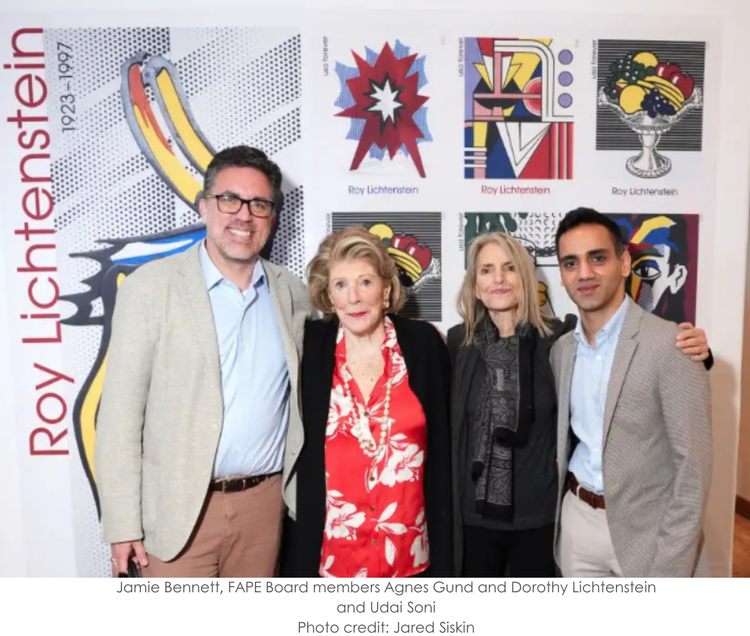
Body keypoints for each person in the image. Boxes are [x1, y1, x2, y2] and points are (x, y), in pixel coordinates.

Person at [95, 145, 310, 577]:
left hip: (263, 508)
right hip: (176, 512)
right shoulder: (150, 288)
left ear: (272, 217)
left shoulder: (293, 293)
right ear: (204, 206)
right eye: (229, 199)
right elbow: (119, 417)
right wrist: (121, 524)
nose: (244, 216)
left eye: (259, 204)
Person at [447, 231, 710, 578]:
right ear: (475, 286)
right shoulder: (457, 344)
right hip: (474, 519)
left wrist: (697, 352)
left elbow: (615, 352)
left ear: (524, 279)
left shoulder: (559, 339)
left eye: (509, 268)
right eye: (486, 270)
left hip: (541, 519)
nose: (498, 278)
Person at [281, 226, 453, 577]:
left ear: (386, 290)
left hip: (411, 557)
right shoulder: (309, 350)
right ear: (328, 296)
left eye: (365, 282)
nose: (354, 298)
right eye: (340, 285)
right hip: (333, 559)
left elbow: (445, 452)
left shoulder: (424, 344)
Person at [551, 207, 712, 577]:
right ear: (561, 274)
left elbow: (693, 472)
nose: (584, 273)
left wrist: (671, 565)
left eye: (597, 258)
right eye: (571, 263)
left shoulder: (673, 343)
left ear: (624, 263)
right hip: (576, 524)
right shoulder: (561, 351)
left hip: (649, 534)